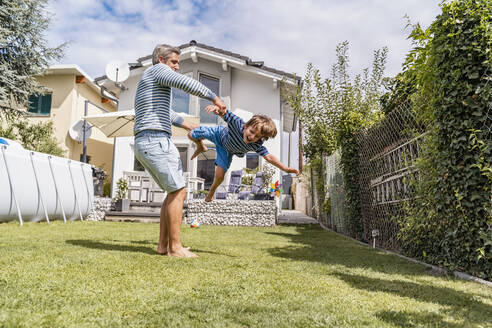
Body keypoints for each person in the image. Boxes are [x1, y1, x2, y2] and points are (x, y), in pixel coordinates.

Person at [133, 44, 226, 258]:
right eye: (173, 62)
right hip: (154, 138)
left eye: (177, 63)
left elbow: (169, 113)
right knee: (178, 191)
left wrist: (189, 127)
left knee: (172, 191)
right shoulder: (157, 70)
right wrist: (215, 98)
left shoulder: (151, 84)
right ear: (160, 60)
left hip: (148, 140)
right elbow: (184, 82)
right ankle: (175, 248)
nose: (176, 67)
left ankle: (163, 246)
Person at [188, 106, 299, 202]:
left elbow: (269, 157)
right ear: (245, 126)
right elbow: (225, 113)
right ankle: (201, 146)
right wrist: (216, 109)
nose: (252, 137)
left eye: (257, 137)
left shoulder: (256, 145)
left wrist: (285, 168)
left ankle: (211, 192)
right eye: (251, 132)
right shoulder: (237, 123)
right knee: (191, 135)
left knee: (220, 175)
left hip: (227, 151)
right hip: (218, 134)